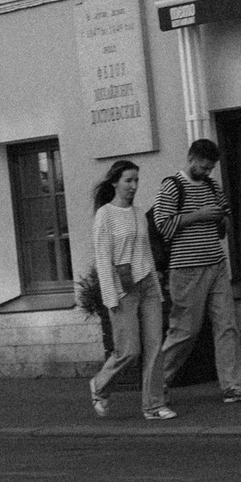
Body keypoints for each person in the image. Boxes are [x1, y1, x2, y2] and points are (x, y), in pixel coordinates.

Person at [151, 138, 241, 409]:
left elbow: (223, 223)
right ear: (190, 159)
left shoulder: (213, 186)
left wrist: (221, 219)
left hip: (216, 263)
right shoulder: (172, 186)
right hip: (186, 268)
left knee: (227, 326)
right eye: (203, 166)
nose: (207, 172)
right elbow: (162, 225)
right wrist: (199, 214)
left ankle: (234, 385)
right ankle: (154, 385)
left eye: (210, 168)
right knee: (184, 330)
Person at [87, 160, 171, 420]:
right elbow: (103, 259)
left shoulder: (138, 213)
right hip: (123, 291)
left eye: (136, 180)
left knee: (155, 347)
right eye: (128, 180)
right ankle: (99, 386)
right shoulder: (105, 215)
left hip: (147, 287)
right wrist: (110, 297)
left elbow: (146, 254)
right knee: (129, 351)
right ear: (115, 182)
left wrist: (157, 290)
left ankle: (154, 405)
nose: (134, 186)